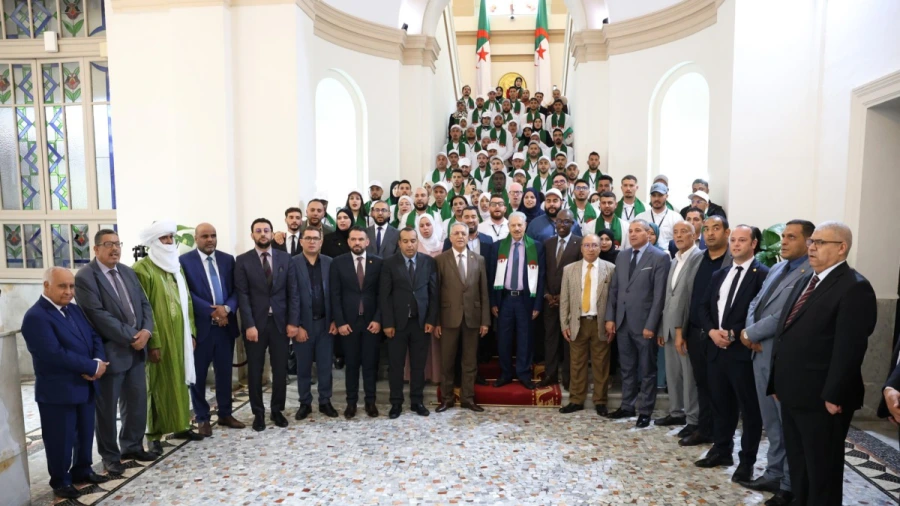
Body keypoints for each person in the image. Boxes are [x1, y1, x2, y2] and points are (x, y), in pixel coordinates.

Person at [767, 222, 876, 506]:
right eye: (812, 242)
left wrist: (834, 394)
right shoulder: (808, 280)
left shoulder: (855, 287)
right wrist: (777, 381)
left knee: (822, 472)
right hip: (794, 393)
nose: (812, 247)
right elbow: (785, 333)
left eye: (820, 242)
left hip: (823, 399)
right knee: (800, 466)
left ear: (841, 248)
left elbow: (850, 347)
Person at [738, 220, 813, 505]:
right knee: (770, 421)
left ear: (808, 242)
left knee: (786, 422)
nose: (783, 241)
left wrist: (751, 334)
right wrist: (748, 333)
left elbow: (786, 312)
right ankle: (773, 472)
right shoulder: (779, 268)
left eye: (791, 237)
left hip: (779, 353)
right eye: (783, 236)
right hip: (758, 351)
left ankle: (789, 483)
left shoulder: (810, 273)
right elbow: (756, 302)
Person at [23, 267, 110, 499]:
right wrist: (91, 367)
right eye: (63, 286)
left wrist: (98, 361)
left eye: (72, 286)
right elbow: (53, 354)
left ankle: (83, 469)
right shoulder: (36, 317)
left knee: (85, 432)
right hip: (58, 390)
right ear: (46, 286)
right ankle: (61, 480)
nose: (69, 291)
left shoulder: (74, 309)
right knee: (60, 439)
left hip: (85, 385)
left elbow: (94, 336)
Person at [74, 229, 156, 474]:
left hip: (137, 349)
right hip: (110, 351)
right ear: (96, 249)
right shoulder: (86, 277)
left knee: (136, 402)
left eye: (118, 244)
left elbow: (144, 304)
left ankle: (132, 446)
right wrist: (132, 336)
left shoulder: (128, 272)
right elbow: (97, 315)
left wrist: (146, 331)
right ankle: (110, 456)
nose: (115, 249)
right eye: (108, 244)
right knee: (107, 409)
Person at [695, 225, 768, 482]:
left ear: (754, 244)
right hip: (716, 349)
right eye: (734, 240)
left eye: (742, 240)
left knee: (749, 410)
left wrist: (734, 333)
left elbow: (761, 314)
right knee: (720, 404)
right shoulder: (721, 273)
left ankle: (746, 461)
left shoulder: (763, 275)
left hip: (742, 353)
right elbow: (703, 306)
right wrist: (712, 331)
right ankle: (721, 450)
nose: (736, 244)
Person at [133, 221, 201, 452]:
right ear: (153, 241)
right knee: (156, 385)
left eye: (171, 237)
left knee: (180, 382)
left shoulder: (175, 266)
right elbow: (144, 310)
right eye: (165, 238)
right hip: (159, 339)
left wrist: (191, 332)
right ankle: (153, 434)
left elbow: (187, 301)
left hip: (180, 336)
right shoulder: (142, 269)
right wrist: (153, 342)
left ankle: (181, 424)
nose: (170, 242)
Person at [178, 223, 244, 437]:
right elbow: (186, 293)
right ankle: (202, 418)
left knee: (224, 373)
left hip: (225, 327)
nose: (210, 240)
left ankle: (225, 413)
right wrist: (212, 311)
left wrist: (226, 309)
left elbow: (236, 290)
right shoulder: (184, 261)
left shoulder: (227, 260)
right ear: (196, 238)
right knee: (198, 376)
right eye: (205, 236)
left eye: (213, 236)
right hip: (202, 328)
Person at [234, 218, 300, 432]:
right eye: (258, 231)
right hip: (255, 325)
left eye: (266, 230)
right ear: (252, 235)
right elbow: (242, 295)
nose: (263, 234)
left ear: (272, 233)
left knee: (280, 371)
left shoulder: (285, 258)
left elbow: (293, 292)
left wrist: (293, 322)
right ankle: (258, 413)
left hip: (280, 324)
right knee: (255, 371)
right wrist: (249, 325)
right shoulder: (243, 261)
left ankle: (277, 410)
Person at [604, 219, 670, 428]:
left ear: (648, 233)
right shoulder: (622, 256)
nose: (632, 234)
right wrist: (610, 317)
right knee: (627, 368)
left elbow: (659, 296)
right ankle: (627, 406)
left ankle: (645, 411)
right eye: (630, 231)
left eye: (638, 230)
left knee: (647, 370)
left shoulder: (660, 257)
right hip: (622, 322)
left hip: (645, 325)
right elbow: (615, 289)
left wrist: (651, 324)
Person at [679, 215, 733, 447]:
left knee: (720, 388)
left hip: (719, 335)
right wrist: (681, 330)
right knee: (701, 383)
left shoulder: (733, 261)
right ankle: (704, 429)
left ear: (727, 232)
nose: (710, 233)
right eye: (707, 229)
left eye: (716, 228)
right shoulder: (697, 259)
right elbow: (687, 295)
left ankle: (722, 437)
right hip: (695, 332)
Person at [381, 227, 438, 418]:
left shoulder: (428, 262)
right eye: (405, 241)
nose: (409, 245)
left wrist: (431, 319)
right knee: (396, 366)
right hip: (397, 324)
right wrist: (387, 323)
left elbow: (433, 293)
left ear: (417, 241)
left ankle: (417, 401)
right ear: (399, 243)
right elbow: (385, 296)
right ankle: (396, 403)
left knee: (418, 366)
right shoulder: (389, 263)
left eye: (413, 240)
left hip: (421, 323)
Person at [435, 222, 491, 413]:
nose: (460, 236)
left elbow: (484, 292)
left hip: (472, 318)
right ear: (450, 237)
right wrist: (436, 321)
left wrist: (485, 321)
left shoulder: (479, 259)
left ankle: (468, 398)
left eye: (463, 234)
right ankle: (447, 399)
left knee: (470, 361)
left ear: (469, 237)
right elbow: (436, 293)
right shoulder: (440, 260)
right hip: (448, 318)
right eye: (456, 233)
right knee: (447, 361)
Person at [655, 221, 703, 437]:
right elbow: (669, 296)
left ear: (694, 235)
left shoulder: (698, 258)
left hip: (683, 328)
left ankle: (693, 419)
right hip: (668, 326)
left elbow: (690, 297)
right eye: (675, 232)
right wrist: (661, 328)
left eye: (684, 231)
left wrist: (681, 330)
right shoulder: (675, 260)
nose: (679, 235)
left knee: (688, 376)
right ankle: (676, 412)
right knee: (673, 374)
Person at [558, 235, 615, 416]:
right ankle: (576, 400)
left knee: (601, 364)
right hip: (578, 322)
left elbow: (613, 299)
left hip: (600, 322)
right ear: (581, 248)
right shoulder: (569, 269)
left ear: (600, 248)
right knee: (577, 363)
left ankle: (600, 401)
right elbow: (564, 298)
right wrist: (564, 323)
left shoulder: (610, 269)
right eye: (587, 245)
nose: (591, 249)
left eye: (594, 245)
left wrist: (611, 321)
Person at [488, 212, 545, 389]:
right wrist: (493, 302)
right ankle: (505, 373)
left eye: (520, 225)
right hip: (504, 299)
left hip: (525, 300)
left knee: (525, 339)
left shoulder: (536, 246)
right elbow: (491, 275)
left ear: (525, 225)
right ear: (508, 227)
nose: (517, 228)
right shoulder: (498, 246)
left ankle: (523, 374)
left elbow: (541, 277)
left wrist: (537, 304)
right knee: (503, 339)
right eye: (513, 225)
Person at [330, 227, 383, 418]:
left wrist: (378, 319)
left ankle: (370, 402)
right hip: (348, 323)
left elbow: (382, 294)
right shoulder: (338, 262)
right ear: (348, 242)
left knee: (370, 365)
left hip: (371, 323)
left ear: (367, 242)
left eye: (360, 239)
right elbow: (335, 295)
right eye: (353, 239)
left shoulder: (378, 262)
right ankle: (351, 403)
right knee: (351, 365)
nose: (357, 243)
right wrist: (340, 322)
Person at [290, 226, 339, 420]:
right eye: (308, 238)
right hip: (303, 325)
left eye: (315, 238)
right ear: (301, 241)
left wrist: (335, 319)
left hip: (325, 324)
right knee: (303, 367)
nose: (312, 242)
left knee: (325, 366)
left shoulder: (329, 262)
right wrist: (296, 325)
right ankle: (305, 403)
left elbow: (335, 293)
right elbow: (289, 295)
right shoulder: (292, 263)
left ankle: (325, 401)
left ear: (321, 242)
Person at [540, 210, 582, 389]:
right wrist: (547, 293)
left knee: (568, 341)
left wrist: (564, 296)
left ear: (573, 224)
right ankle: (550, 375)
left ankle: (568, 378)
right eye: (559, 221)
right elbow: (543, 271)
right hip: (549, 301)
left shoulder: (580, 243)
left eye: (566, 222)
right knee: (550, 339)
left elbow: (580, 274)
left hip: (570, 302)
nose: (562, 225)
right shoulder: (548, 243)